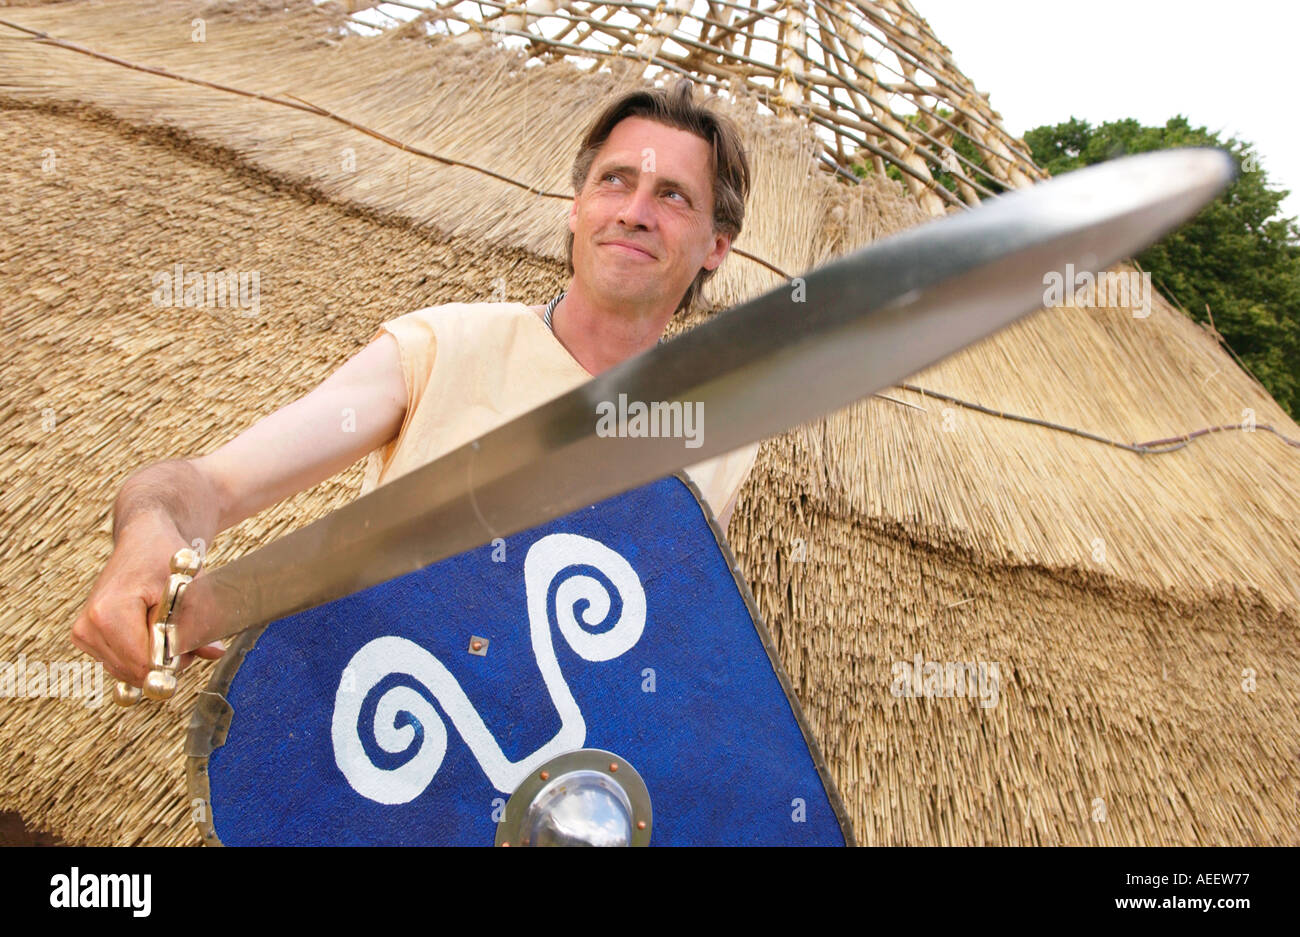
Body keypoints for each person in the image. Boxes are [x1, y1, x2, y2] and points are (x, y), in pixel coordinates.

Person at [72, 77, 760, 691]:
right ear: (575, 208)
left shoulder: (720, 438)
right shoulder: (441, 347)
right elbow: (209, 486)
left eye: (672, 195)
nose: (634, 210)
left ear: (716, 246)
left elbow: (661, 646)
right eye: (614, 181)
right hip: (367, 749)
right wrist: (148, 534)